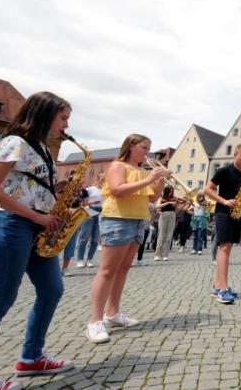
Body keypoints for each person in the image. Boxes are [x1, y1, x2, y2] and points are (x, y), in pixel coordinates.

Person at [0, 92, 74, 390]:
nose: (66, 125)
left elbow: (27, 185)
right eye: (63, 118)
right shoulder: (15, 142)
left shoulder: (43, 148)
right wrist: (35, 216)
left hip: (37, 227)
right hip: (11, 225)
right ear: (45, 114)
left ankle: (31, 357)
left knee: (52, 290)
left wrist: (59, 190)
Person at [86, 134, 167, 343]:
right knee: (107, 270)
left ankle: (112, 313)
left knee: (123, 269)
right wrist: (148, 179)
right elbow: (117, 190)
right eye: (144, 147)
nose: (148, 152)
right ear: (131, 146)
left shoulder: (142, 171)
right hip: (118, 219)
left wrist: (159, 182)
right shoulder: (118, 166)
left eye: (149, 148)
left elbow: (152, 197)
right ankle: (95, 321)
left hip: (139, 220)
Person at [204, 143, 241, 304]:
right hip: (223, 212)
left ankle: (218, 286)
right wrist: (224, 201)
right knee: (224, 248)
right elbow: (207, 189)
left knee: (227, 248)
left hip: (237, 213)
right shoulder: (224, 171)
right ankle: (223, 288)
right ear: (235, 155)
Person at [76, 175, 105, 268]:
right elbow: (83, 203)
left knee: (95, 239)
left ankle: (89, 259)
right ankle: (80, 259)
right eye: (102, 179)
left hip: (101, 212)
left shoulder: (106, 191)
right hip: (89, 211)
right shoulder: (90, 189)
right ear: (97, 179)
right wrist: (93, 203)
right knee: (84, 237)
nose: (103, 181)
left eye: (105, 180)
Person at [154, 186, 177, 261]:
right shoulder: (161, 198)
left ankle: (165, 255)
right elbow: (157, 206)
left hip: (172, 216)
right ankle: (158, 254)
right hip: (163, 215)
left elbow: (176, 211)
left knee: (169, 236)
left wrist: (176, 204)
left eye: (172, 191)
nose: (171, 193)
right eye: (170, 191)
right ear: (166, 191)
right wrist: (167, 203)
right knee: (161, 235)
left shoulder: (174, 198)